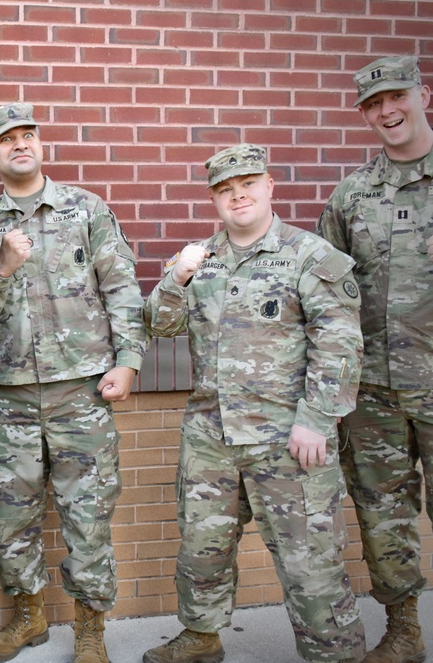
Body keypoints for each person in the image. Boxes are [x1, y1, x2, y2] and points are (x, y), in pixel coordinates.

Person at [143, 144, 367, 663]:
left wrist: (316, 421)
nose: (236, 195)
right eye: (224, 188)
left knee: (310, 564)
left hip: (288, 439)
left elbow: (339, 344)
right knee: (203, 550)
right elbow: (160, 324)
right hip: (211, 437)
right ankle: (201, 636)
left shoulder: (311, 256)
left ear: (270, 186)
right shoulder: (201, 259)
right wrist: (177, 278)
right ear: (213, 199)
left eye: (247, 183)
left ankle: (335, 654)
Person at [0, 103, 147, 663]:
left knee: (88, 514)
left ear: (40, 144)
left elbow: (121, 287)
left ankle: (90, 629)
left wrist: (130, 361)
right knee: (13, 513)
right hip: (12, 395)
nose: (20, 145)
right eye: (6, 139)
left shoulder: (86, 210)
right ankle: (28, 618)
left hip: (82, 393)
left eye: (28, 135)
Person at [316, 55, 433, 663]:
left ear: (422, 94)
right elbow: (326, 296)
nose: (387, 111)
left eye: (396, 97)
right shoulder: (351, 196)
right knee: (382, 515)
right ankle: (405, 631)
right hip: (373, 394)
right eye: (373, 104)